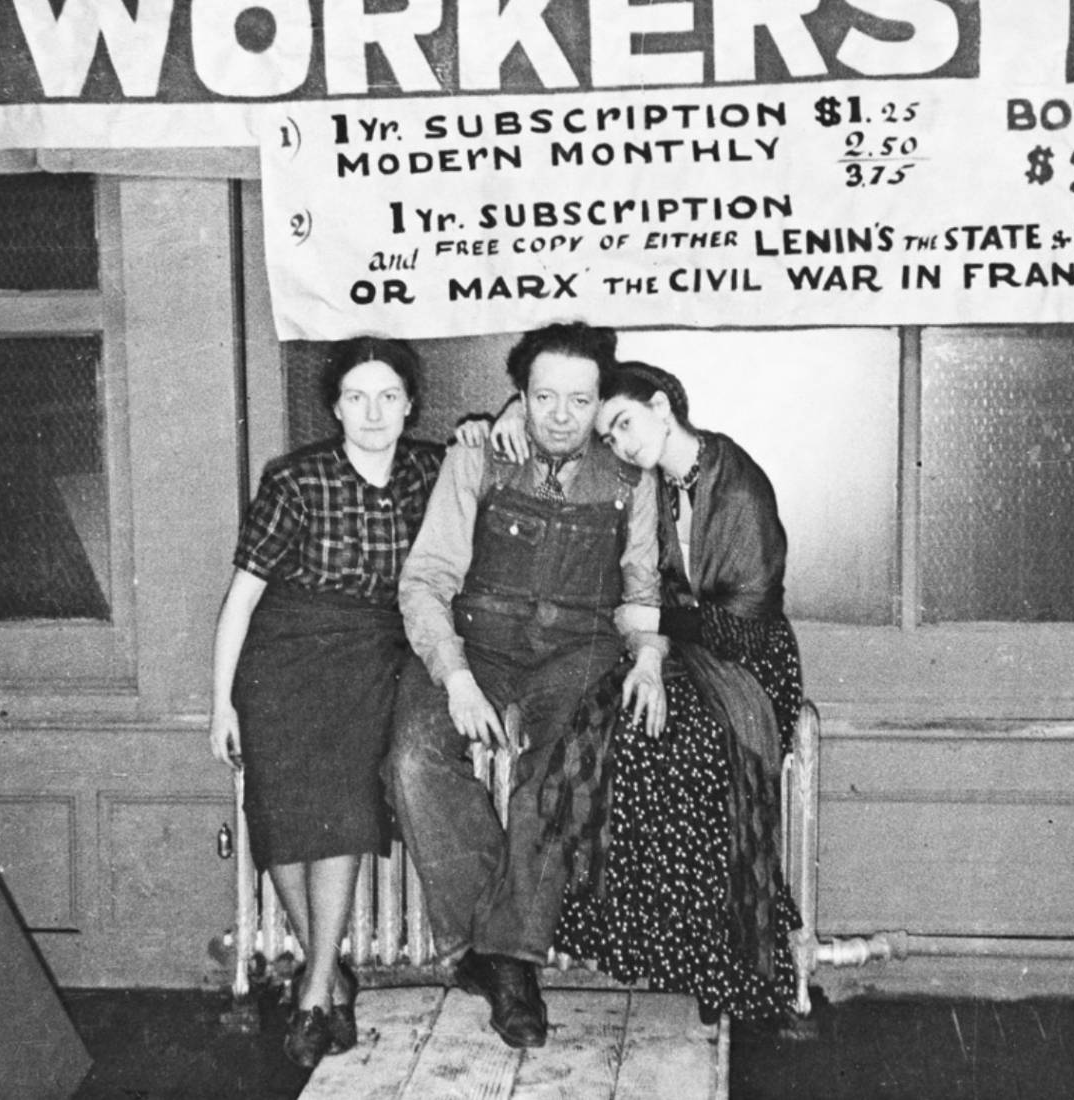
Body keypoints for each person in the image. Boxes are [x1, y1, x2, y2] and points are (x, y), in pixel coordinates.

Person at [386, 322, 669, 1051]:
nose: (561, 416)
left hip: (577, 651)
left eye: (579, 399)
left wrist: (647, 657)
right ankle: (495, 948)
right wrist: (453, 678)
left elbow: (640, 587)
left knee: (552, 774)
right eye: (544, 396)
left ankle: (504, 962)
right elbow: (424, 581)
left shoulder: (631, 477)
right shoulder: (476, 455)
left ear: (601, 399)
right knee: (413, 761)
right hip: (477, 643)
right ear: (520, 395)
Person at [496, 359, 804, 1026]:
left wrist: (655, 624)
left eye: (625, 423)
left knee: (692, 749)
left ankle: (719, 961)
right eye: (609, 434)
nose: (619, 443)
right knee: (605, 734)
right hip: (676, 652)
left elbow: (742, 632)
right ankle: (661, 947)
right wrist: (509, 415)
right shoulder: (654, 485)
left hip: (746, 668)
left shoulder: (739, 488)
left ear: (663, 407)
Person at [210, 336, 482, 1068]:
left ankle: (314, 993)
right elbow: (241, 600)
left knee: (339, 814)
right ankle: (328, 977)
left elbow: (495, 461)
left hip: (371, 657)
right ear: (334, 407)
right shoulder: (296, 480)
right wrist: (220, 704)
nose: (372, 412)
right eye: (356, 397)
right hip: (282, 657)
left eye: (387, 396)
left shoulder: (433, 470)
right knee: (281, 818)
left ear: (409, 405)